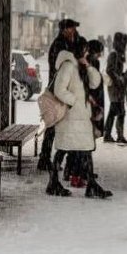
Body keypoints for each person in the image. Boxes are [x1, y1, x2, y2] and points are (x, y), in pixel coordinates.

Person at [46, 39, 112, 199]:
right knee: (63, 149)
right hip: (69, 117)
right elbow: (59, 90)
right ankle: (54, 183)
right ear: (79, 50)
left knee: (86, 149)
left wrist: (88, 66)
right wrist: (75, 101)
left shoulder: (81, 66)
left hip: (81, 117)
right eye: (85, 50)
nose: (87, 53)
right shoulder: (68, 66)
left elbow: (96, 83)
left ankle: (91, 185)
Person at [37, 18, 80, 172]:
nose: (73, 31)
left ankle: (48, 158)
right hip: (58, 91)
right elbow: (61, 67)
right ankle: (47, 159)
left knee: (56, 126)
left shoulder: (67, 43)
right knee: (54, 125)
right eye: (71, 29)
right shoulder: (60, 45)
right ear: (64, 30)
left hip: (62, 90)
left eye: (74, 29)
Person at [103, 32, 127, 145]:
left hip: (117, 87)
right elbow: (110, 70)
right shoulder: (114, 54)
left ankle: (110, 134)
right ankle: (116, 135)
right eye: (123, 42)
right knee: (119, 111)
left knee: (116, 111)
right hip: (115, 88)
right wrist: (119, 79)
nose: (125, 45)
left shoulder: (118, 54)